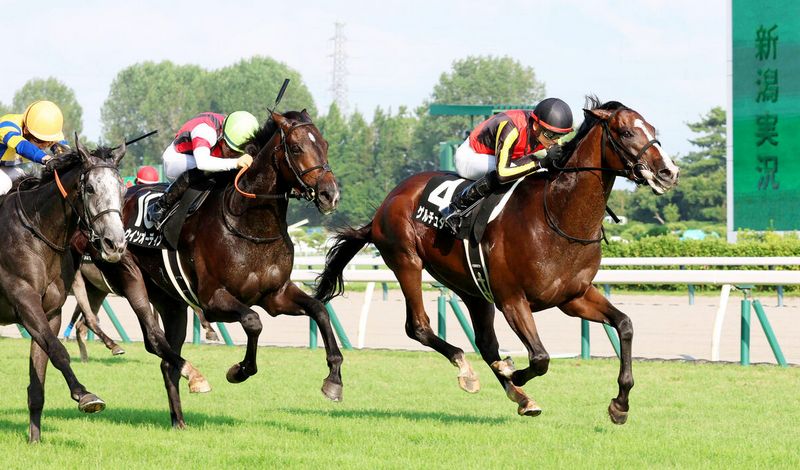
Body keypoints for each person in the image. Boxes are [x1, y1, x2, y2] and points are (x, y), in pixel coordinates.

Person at [440, 97, 574, 235]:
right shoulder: (512, 128)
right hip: (470, 156)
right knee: (522, 168)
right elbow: (503, 174)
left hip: (497, 157)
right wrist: (540, 163)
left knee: (534, 165)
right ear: (536, 126)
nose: (556, 140)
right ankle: (455, 208)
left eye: (560, 135)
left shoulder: (544, 130)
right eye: (551, 135)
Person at [147, 111, 260, 228]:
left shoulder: (233, 130)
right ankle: (160, 206)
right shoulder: (205, 130)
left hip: (202, 156)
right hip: (176, 160)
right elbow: (203, 162)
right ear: (223, 138)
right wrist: (235, 162)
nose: (233, 154)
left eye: (238, 153)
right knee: (210, 169)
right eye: (232, 150)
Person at [0, 100, 67, 195]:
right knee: (3, 183)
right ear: (26, 130)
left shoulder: (50, 132)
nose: (43, 146)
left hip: (5, 168)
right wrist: (46, 159)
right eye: (39, 141)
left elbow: (64, 151)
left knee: (30, 183)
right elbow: (22, 145)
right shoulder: (7, 126)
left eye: (48, 143)